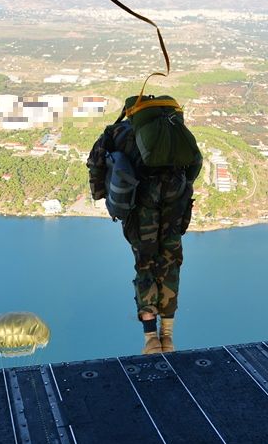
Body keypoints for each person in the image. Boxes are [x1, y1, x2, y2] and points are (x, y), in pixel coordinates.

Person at [87, 97, 202, 354]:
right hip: (175, 203)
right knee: (170, 263)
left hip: (141, 207)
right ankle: (168, 337)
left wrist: (102, 195)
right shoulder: (173, 129)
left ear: (131, 112)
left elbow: (95, 163)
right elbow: (195, 163)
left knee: (145, 263)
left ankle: (151, 338)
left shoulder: (117, 132)